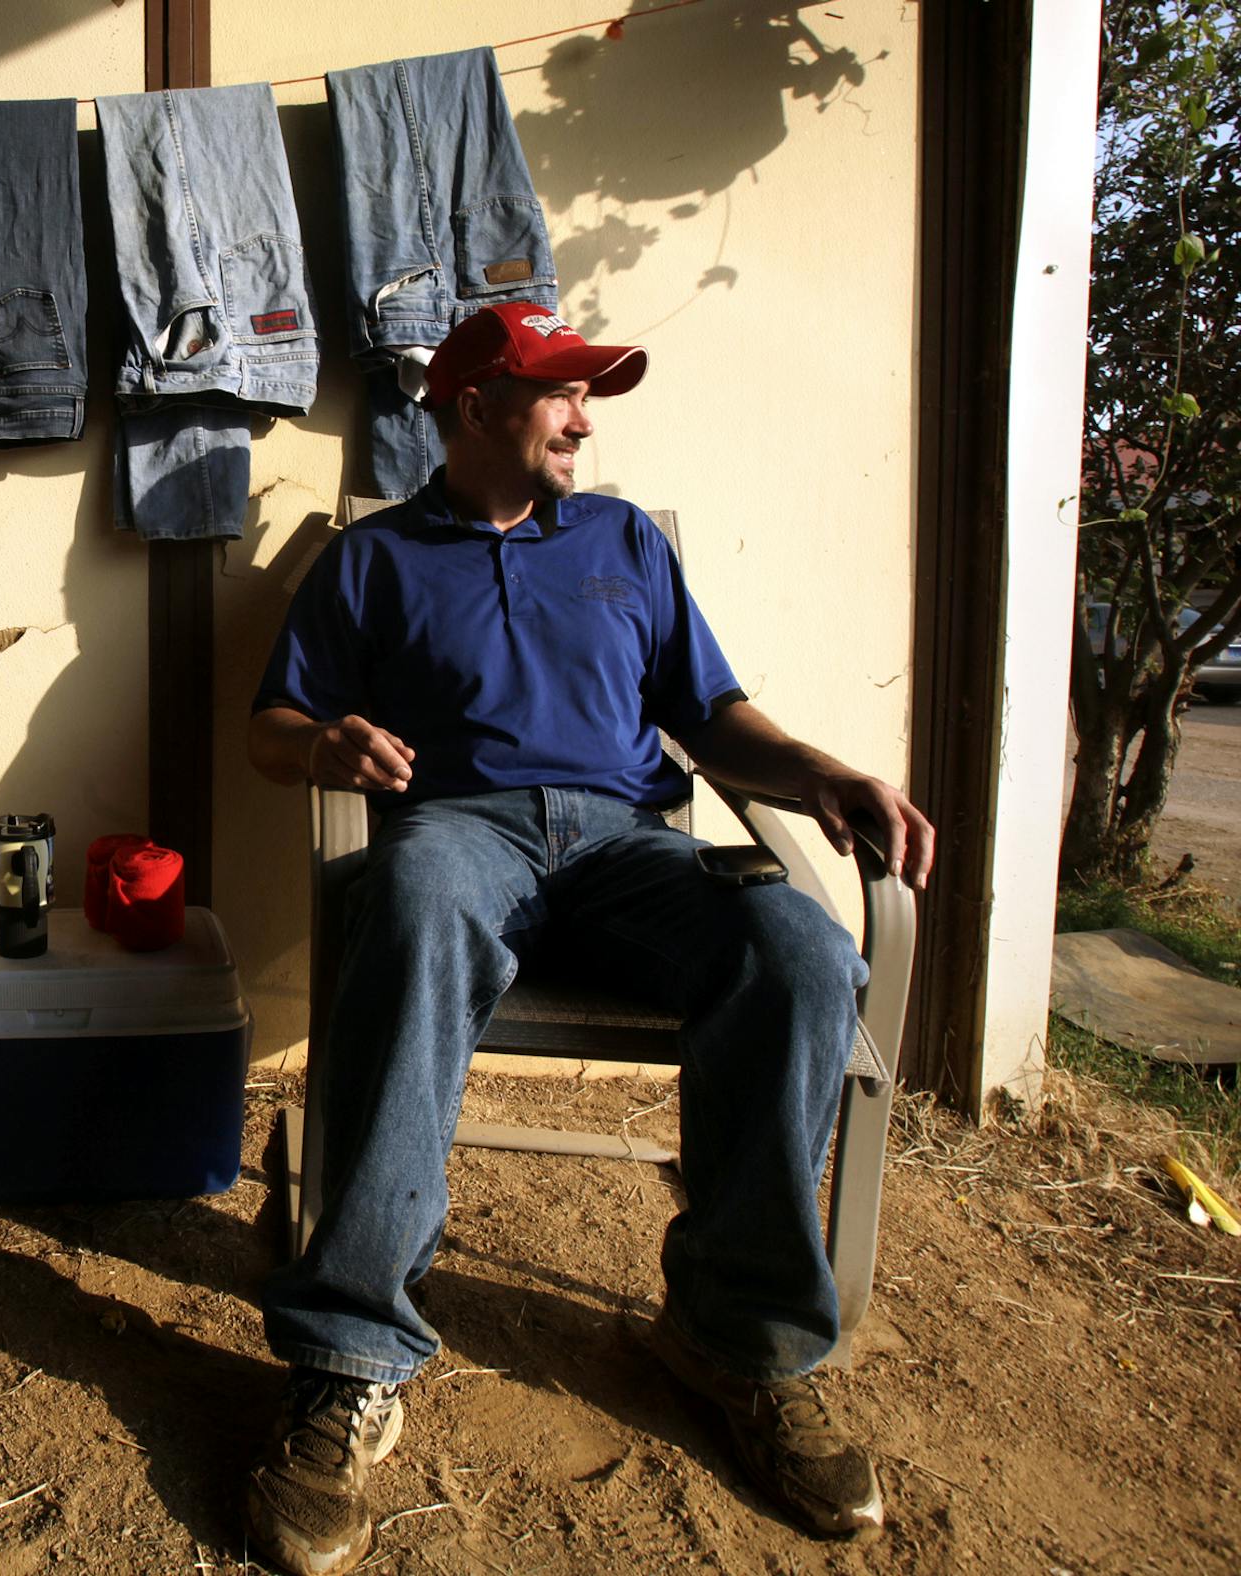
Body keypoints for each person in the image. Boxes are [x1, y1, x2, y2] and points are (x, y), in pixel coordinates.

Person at [240, 303, 934, 1575]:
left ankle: (740, 1338)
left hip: (628, 842)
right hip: (460, 830)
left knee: (796, 949)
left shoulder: (621, 541)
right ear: (474, 407)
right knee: (403, 900)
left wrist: (824, 772)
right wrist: (325, 743)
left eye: (586, 393)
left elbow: (710, 713)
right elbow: (270, 727)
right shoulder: (373, 560)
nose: (584, 416)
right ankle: (350, 1357)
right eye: (561, 391)